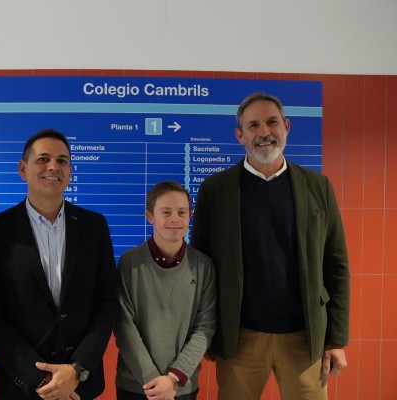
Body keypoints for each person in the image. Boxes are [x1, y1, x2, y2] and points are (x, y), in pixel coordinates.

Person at [190, 92, 350, 400]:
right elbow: (201, 268)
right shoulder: (215, 189)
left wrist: (336, 339)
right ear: (240, 135)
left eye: (272, 122)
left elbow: (336, 266)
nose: (264, 132)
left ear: (286, 127)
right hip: (240, 338)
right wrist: (206, 332)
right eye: (253, 125)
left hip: (305, 339)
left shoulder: (318, 187)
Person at [0, 128, 118, 399]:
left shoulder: (94, 227)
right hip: (20, 387)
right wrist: (40, 378)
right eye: (43, 159)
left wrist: (77, 370)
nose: (53, 166)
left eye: (62, 160)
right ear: (23, 169)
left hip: (79, 386)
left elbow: (107, 303)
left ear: (70, 172)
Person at [114, 180, 216, 400]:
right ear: (150, 216)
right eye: (166, 212)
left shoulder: (203, 266)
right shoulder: (129, 263)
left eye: (182, 212)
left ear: (190, 215)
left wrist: (173, 379)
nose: (175, 219)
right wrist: (153, 380)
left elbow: (205, 327)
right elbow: (123, 326)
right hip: (136, 386)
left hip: (181, 386)